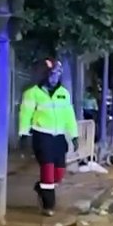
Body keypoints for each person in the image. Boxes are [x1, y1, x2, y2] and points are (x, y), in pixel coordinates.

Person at [18, 59, 79, 216]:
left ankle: (41, 188)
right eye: (52, 74)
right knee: (48, 170)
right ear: (45, 75)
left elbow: (69, 116)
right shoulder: (32, 93)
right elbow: (25, 115)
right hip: (42, 136)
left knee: (59, 172)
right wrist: (23, 134)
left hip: (59, 138)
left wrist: (74, 135)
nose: (55, 77)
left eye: (58, 74)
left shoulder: (64, 94)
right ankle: (48, 205)